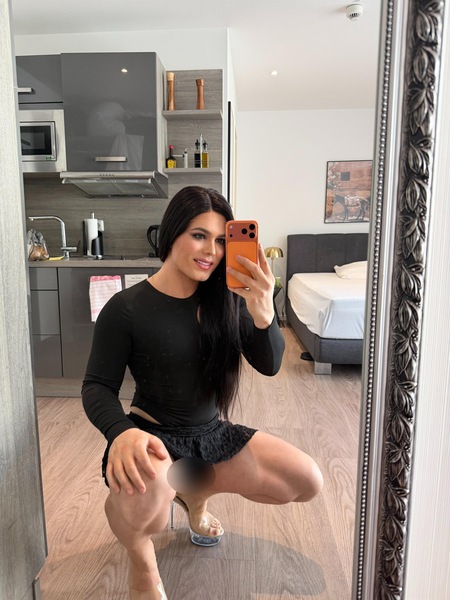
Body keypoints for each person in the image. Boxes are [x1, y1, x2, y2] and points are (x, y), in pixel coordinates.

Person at [82, 186, 323, 600]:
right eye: (199, 235)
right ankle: (141, 559)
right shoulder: (126, 307)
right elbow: (96, 386)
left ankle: (195, 494)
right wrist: (121, 432)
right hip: (152, 439)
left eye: (220, 240)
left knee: (306, 481)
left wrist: (264, 315)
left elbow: (269, 365)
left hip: (210, 436)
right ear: (171, 233)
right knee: (149, 509)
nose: (211, 251)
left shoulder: (228, 301)